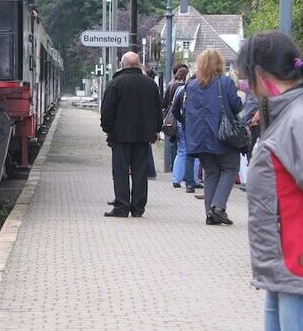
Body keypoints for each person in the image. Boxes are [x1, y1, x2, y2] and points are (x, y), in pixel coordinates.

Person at [236, 31, 303, 330]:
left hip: (294, 262)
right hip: (282, 265)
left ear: (260, 75)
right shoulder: (286, 116)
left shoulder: (296, 119)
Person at [174, 49, 242, 225]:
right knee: (230, 168)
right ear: (219, 64)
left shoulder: (191, 86)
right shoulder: (225, 82)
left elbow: (183, 111)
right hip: (223, 136)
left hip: (199, 138)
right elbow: (236, 106)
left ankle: (210, 215)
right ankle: (218, 207)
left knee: (211, 173)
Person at [100, 51, 162, 217]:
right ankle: (138, 208)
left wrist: (108, 129)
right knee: (140, 172)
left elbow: (107, 111)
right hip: (144, 136)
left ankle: (121, 206)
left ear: (123, 65)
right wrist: (156, 130)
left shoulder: (115, 84)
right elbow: (158, 109)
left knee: (120, 172)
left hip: (120, 136)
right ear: (138, 64)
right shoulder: (150, 84)